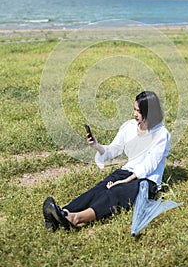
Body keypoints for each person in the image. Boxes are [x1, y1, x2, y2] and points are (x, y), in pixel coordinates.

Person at [42, 91, 171, 232]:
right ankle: (62, 213)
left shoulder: (161, 134)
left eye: (139, 111)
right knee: (99, 188)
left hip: (146, 180)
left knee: (116, 192)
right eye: (134, 109)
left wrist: (125, 181)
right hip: (126, 171)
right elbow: (113, 150)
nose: (135, 114)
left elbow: (149, 165)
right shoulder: (129, 126)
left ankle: (76, 218)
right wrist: (97, 146)